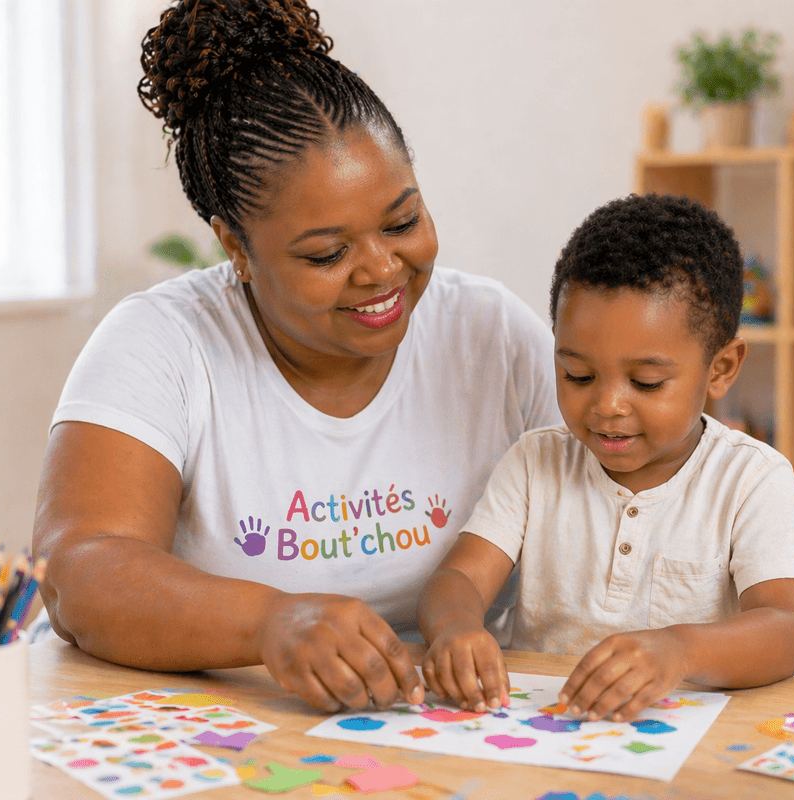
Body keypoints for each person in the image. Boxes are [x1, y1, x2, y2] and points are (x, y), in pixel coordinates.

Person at [31, 0, 559, 714]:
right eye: (327, 254)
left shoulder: (492, 336)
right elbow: (79, 570)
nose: (382, 270)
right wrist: (270, 622)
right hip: (221, 726)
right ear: (236, 248)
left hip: (432, 726)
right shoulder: (162, 343)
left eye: (402, 221)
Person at [417, 193, 794, 723]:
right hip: (546, 729)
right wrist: (455, 628)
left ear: (721, 369)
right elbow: (458, 579)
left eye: (646, 382)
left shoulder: (751, 479)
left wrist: (680, 650)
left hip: (690, 736)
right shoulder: (535, 463)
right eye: (578, 375)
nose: (607, 405)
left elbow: (787, 629)